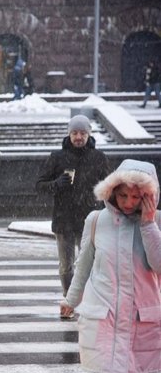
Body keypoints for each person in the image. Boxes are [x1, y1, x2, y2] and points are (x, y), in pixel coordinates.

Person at [60, 159, 161, 373]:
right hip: (103, 318)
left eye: (136, 197)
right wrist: (71, 300)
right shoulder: (96, 221)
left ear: (148, 196)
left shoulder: (157, 222)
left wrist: (149, 225)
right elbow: (84, 264)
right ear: (112, 191)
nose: (128, 203)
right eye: (122, 195)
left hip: (142, 319)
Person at [36, 114, 110, 305]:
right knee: (66, 266)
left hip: (91, 220)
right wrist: (56, 184)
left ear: (89, 135)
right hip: (64, 219)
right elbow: (39, 185)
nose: (79, 137)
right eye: (75, 133)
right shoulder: (57, 157)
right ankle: (69, 300)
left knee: (91, 265)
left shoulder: (98, 158)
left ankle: (89, 300)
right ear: (69, 134)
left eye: (83, 133)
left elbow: (110, 187)